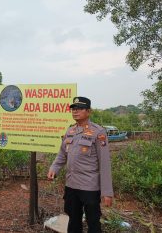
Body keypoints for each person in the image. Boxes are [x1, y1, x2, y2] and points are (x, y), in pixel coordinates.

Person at [47, 97, 113, 233]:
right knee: (73, 221)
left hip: (89, 187)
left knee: (93, 222)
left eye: (79, 109)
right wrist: (54, 167)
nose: (75, 111)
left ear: (88, 111)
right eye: (73, 109)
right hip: (71, 186)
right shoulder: (70, 131)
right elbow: (62, 154)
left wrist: (107, 192)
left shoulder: (98, 132)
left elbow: (105, 164)